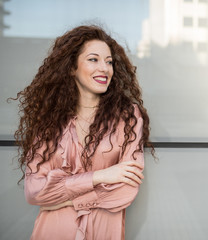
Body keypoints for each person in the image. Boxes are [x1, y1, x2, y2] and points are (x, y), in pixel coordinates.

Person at [12, 25, 153, 240]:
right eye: (93, 59)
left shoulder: (128, 116)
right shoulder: (49, 120)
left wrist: (62, 198)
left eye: (109, 61)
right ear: (71, 67)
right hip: (53, 232)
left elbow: (125, 191)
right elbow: (34, 192)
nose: (105, 68)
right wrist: (101, 176)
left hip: (104, 232)